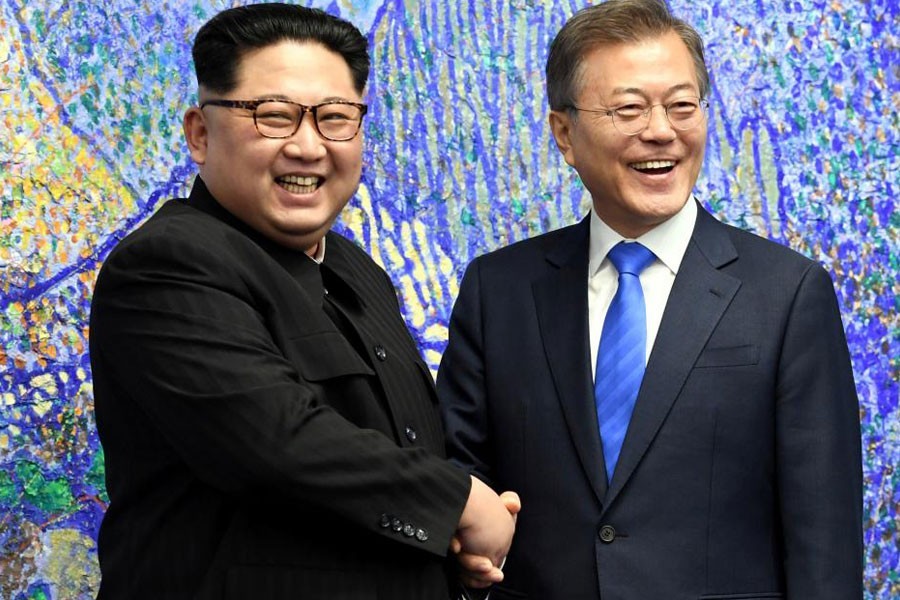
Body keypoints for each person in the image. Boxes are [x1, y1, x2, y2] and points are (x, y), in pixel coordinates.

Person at [437, 0, 863, 598]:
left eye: (681, 106)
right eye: (629, 108)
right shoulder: (498, 289)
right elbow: (459, 471)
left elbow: (825, 534)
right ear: (564, 132)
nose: (661, 130)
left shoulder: (788, 294)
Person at [89, 4, 517, 599]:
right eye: (274, 117)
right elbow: (274, 444)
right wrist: (460, 504)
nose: (309, 146)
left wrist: (451, 544)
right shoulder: (167, 264)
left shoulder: (356, 270)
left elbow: (396, 457)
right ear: (200, 133)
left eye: (336, 118)